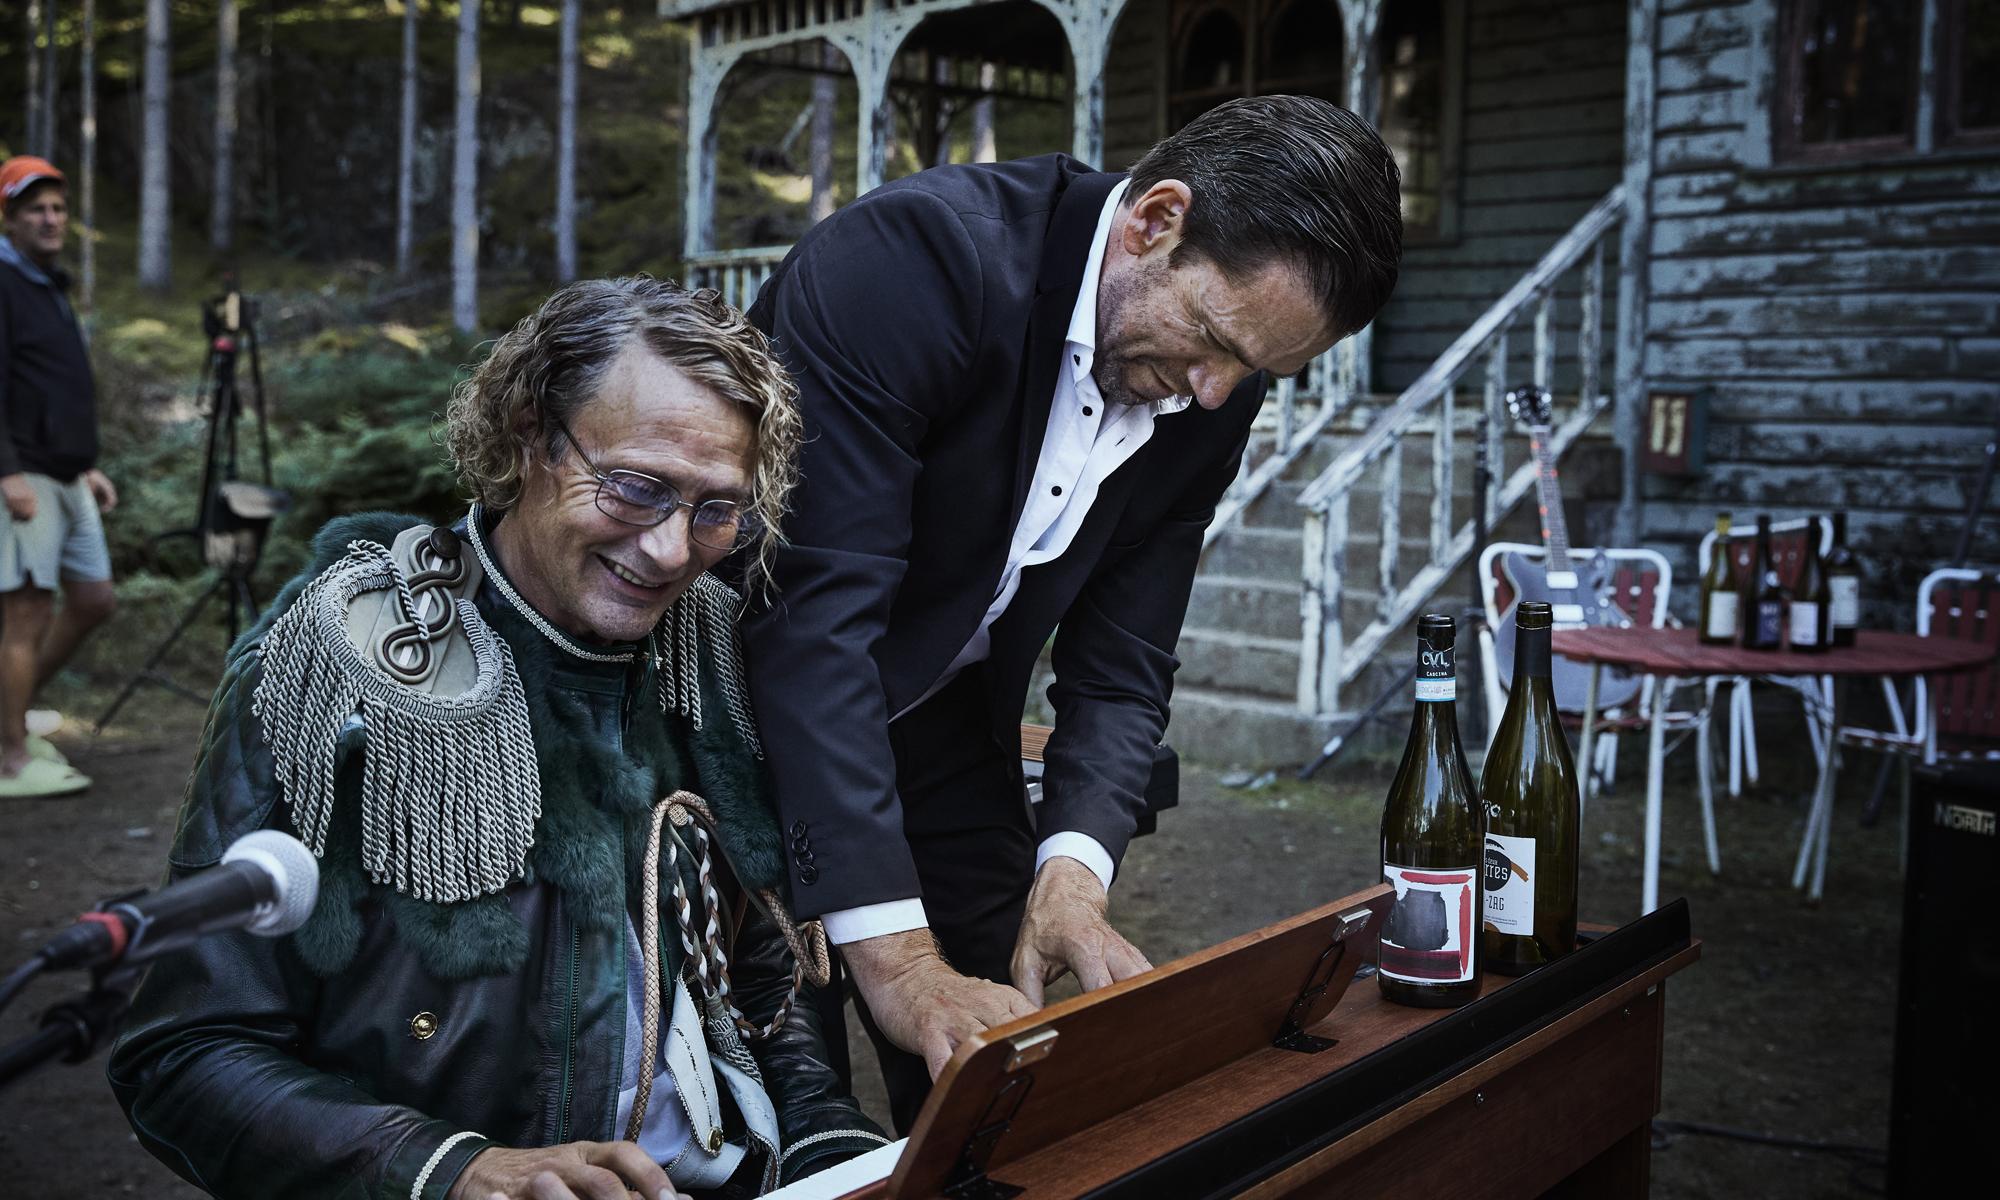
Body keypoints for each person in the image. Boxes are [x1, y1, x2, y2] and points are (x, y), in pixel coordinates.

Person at [110, 278, 887, 1199]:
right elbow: (185, 1049)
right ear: (529, 435)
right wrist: (453, 1172)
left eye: (717, 509)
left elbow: (756, 979)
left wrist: (828, 1140)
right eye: (637, 488)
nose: (674, 550)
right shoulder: (338, 666)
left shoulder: (718, 654)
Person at [743, 95, 1405, 1129]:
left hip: (944, 721)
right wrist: (902, 961)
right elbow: (811, 622)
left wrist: (1072, 876)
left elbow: (1126, 660)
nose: (1213, 394)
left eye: (1255, 371)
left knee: (1020, 1098)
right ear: (1154, 220)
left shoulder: (1210, 383)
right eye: (1213, 339)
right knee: (798, 1098)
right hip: (738, 716)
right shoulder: (914, 260)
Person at [0, 155, 117, 798]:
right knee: (27, 612)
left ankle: (6, 717)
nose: (50, 219)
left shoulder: (47, 282)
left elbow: (51, 386)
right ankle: (9, 757)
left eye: (57, 208)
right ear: (10, 218)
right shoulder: (4, 281)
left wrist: (86, 465)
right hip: (25, 477)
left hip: (67, 475)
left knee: (95, 601)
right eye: (34, 209)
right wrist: (7, 472)